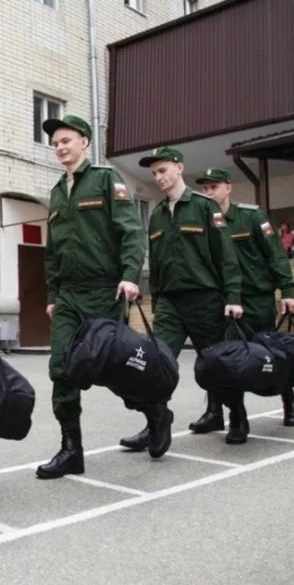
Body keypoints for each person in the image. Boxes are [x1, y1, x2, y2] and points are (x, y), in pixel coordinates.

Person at [38, 114, 164, 471]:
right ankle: (71, 450)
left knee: (114, 370)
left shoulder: (105, 179)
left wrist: (129, 276)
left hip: (103, 292)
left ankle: (155, 413)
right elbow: (53, 252)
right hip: (68, 296)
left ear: (85, 142)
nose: (60, 147)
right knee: (62, 369)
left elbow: (130, 232)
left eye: (66, 140)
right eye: (56, 143)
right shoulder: (57, 192)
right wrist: (52, 296)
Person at [118, 148, 246, 451]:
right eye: (154, 174)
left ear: (179, 168)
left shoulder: (204, 206)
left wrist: (233, 297)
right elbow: (157, 262)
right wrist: (157, 302)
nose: (158, 177)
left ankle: (236, 416)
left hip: (205, 300)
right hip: (170, 304)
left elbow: (226, 256)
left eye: (163, 170)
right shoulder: (157, 215)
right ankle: (155, 424)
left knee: (217, 364)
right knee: (156, 364)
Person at [195, 168, 294, 433]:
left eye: (214, 187)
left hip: (256, 299)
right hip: (223, 303)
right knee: (227, 360)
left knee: (270, 354)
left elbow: (276, 255)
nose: (208, 193)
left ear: (228, 187)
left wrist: (288, 291)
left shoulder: (251, 216)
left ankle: (289, 400)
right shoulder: (201, 221)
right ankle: (234, 417)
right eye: (205, 188)